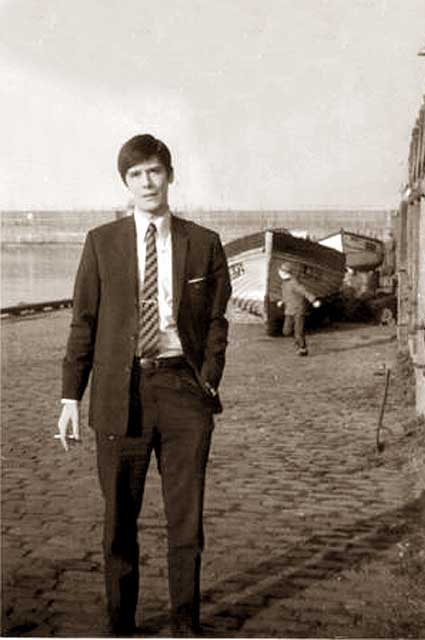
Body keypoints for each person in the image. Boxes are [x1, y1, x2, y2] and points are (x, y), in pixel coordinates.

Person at [57, 134, 232, 637]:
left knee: (186, 519)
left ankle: (185, 624)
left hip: (183, 392)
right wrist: (71, 395)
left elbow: (218, 319)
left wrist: (208, 378)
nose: (148, 182)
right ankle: (121, 626)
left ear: (169, 176)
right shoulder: (101, 242)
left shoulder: (203, 242)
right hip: (121, 395)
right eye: (137, 174)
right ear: (126, 184)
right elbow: (83, 322)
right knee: (118, 521)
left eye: (155, 171)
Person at [277, 261, 321, 356]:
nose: (279, 273)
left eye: (280, 271)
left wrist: (313, 300)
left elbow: (304, 292)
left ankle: (303, 349)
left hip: (299, 310)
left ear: (285, 272)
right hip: (289, 310)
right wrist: (282, 301)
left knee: (298, 331)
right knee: (286, 331)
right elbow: (286, 295)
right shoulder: (284, 283)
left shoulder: (294, 282)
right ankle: (298, 342)